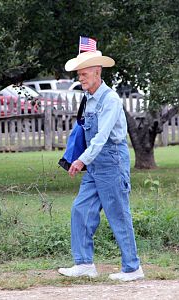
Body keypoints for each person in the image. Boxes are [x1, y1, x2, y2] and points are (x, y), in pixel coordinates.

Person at [58, 50, 144, 281]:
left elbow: (102, 136)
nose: (80, 79)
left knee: (118, 214)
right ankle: (85, 264)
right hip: (95, 162)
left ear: (97, 73)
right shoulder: (89, 99)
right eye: (79, 75)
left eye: (84, 74)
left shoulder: (111, 100)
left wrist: (81, 160)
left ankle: (133, 268)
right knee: (81, 209)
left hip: (111, 161)